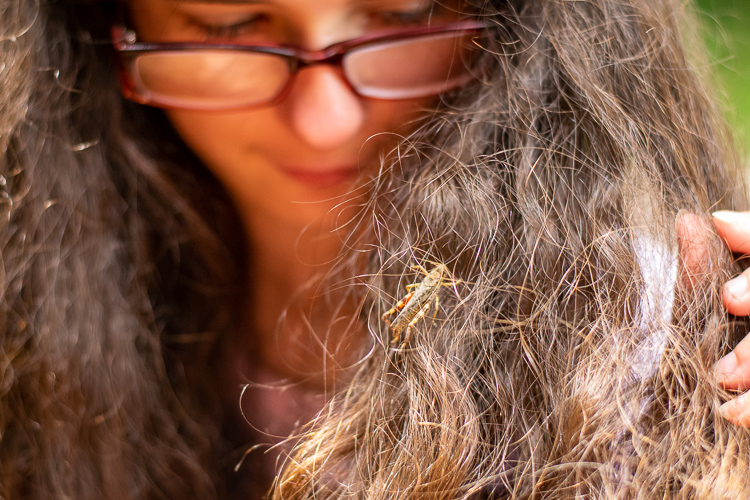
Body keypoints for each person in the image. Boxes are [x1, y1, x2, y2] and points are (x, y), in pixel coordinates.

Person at [3, 0, 750, 498]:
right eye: (227, 28)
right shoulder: (27, 328)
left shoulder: (654, 313)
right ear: (103, 33)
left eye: (404, 13)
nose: (324, 118)